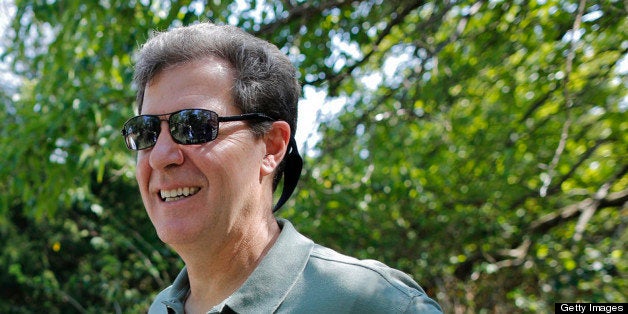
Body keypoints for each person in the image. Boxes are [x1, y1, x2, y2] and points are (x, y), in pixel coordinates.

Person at [121, 22, 442, 313]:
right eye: (146, 131)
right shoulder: (162, 307)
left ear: (272, 146)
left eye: (194, 125)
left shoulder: (375, 304)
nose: (160, 155)